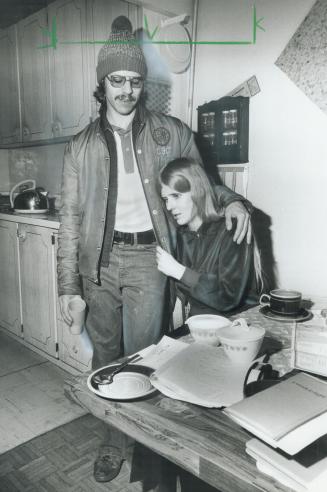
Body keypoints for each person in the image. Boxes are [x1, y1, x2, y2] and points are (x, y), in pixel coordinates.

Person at [57, 15, 252, 484]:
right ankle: (113, 442)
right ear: (102, 83)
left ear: (145, 85)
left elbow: (205, 183)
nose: (126, 89)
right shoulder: (80, 147)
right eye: (117, 80)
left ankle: (147, 450)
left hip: (151, 261)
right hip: (98, 266)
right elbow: (69, 221)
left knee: (143, 356)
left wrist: (236, 202)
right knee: (104, 357)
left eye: (136, 81)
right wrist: (69, 287)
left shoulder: (170, 131)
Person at [156, 157, 261, 317]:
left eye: (176, 196)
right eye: (166, 199)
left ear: (198, 191)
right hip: (201, 323)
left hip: (240, 322)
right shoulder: (181, 234)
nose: (169, 206)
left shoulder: (231, 228)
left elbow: (228, 297)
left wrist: (179, 271)